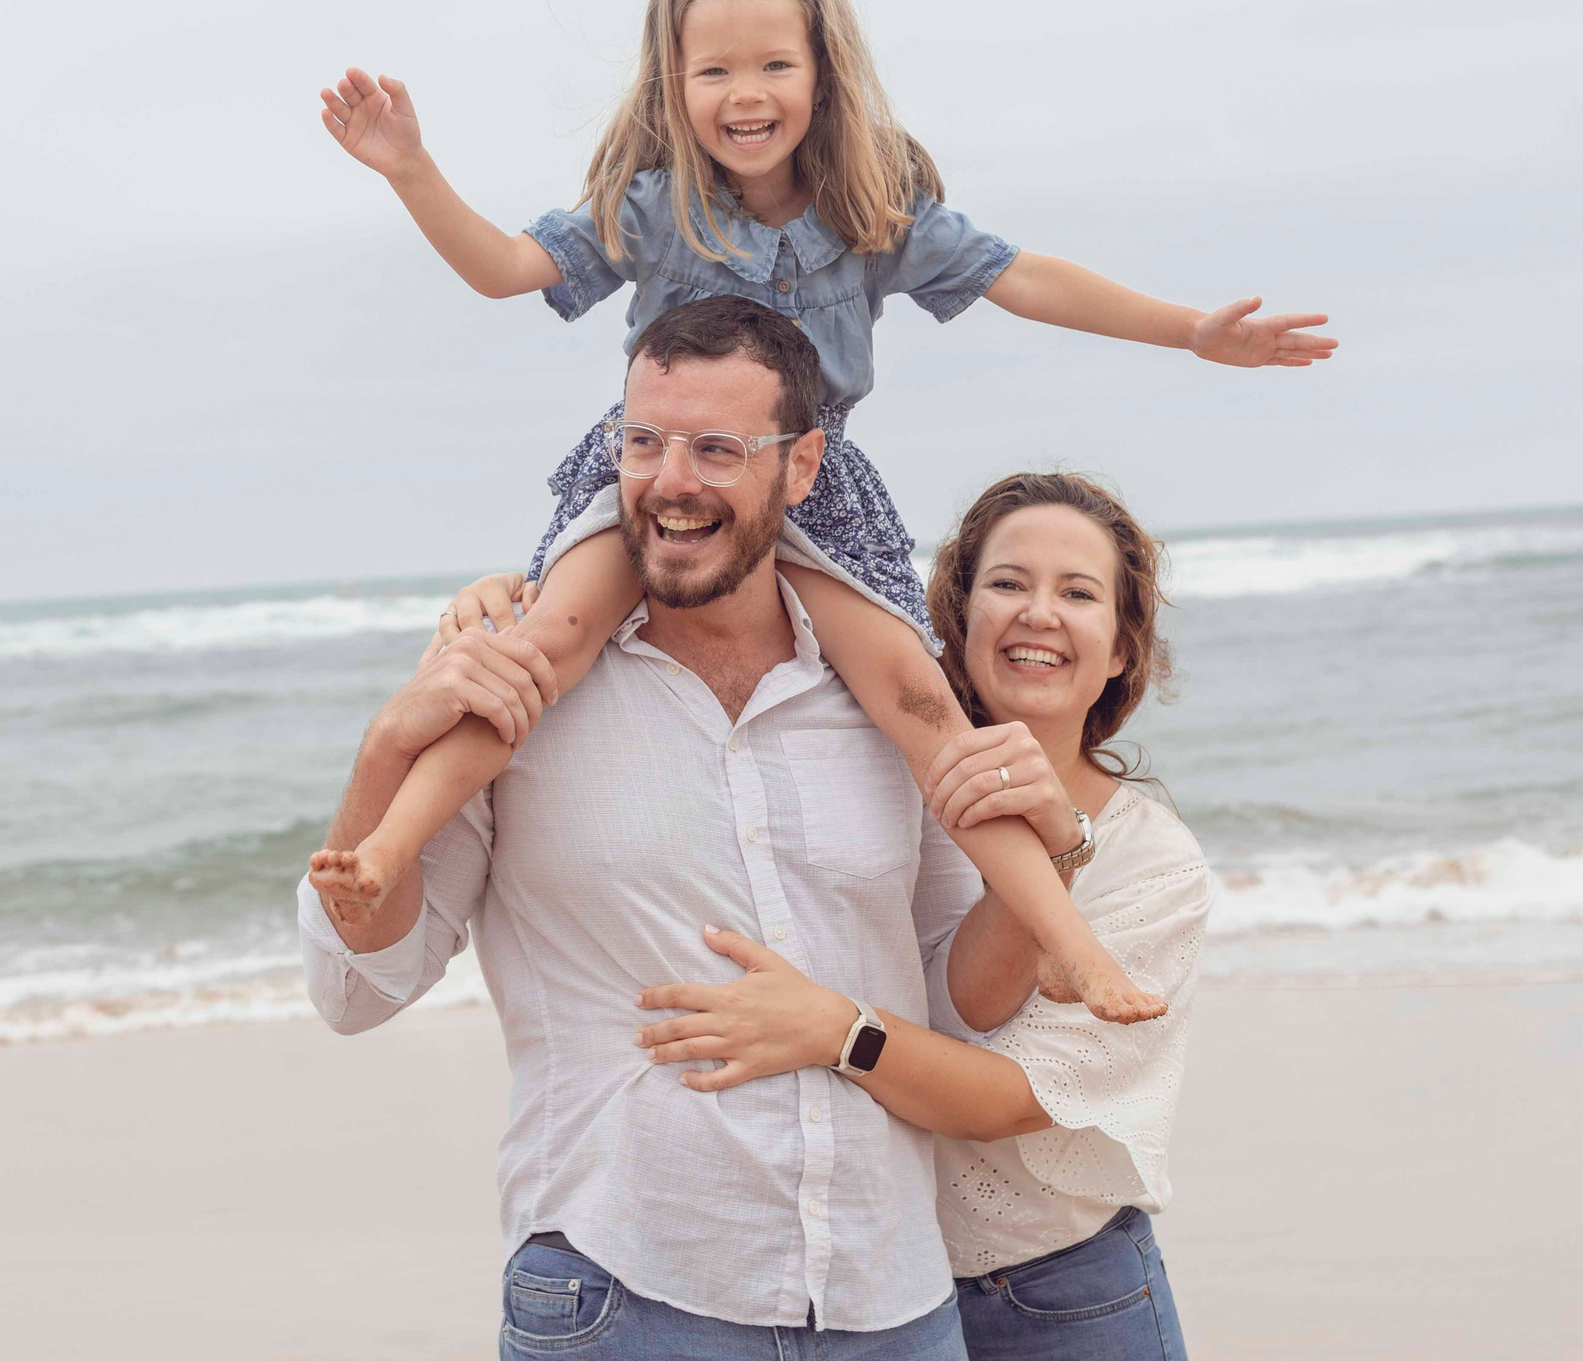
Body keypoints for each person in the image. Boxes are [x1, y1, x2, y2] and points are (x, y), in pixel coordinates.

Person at [308, 0, 1327, 1025]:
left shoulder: (870, 209)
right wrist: (411, 168)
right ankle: (386, 846)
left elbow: (1024, 279)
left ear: (822, 74)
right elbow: (505, 269)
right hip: (669, 470)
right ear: (674, 82)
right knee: (539, 649)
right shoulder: (655, 205)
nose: (745, 94)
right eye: (715, 71)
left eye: (773, 65)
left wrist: (1190, 333)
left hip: (811, 478)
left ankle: (1068, 943)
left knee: (921, 704)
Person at [302, 300, 1079, 1357]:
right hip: (626, 1290)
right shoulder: (518, 676)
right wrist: (384, 748)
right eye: (642, 444)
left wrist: (1052, 870)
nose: (670, 482)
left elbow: (958, 1001)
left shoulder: (885, 696)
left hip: (889, 1297)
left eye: (718, 449)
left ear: (802, 467)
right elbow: (354, 992)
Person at [581, 472, 1209, 1359]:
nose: (1038, 612)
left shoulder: (1156, 862)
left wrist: (839, 1030)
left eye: (1078, 593)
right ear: (951, 620)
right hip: (867, 1293)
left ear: (1119, 650)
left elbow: (1008, 1100)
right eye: (1006, 583)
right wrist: (509, 601)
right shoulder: (868, 790)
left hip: (1064, 1293)